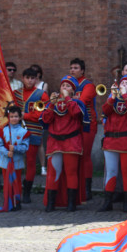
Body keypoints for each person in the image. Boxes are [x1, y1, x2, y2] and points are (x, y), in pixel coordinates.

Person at [41, 75, 88, 212]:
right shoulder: (53, 102)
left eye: (68, 86)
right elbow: (46, 119)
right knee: (53, 173)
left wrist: (67, 98)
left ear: (73, 90)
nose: (65, 88)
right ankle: (51, 203)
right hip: (55, 142)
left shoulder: (77, 103)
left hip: (71, 142)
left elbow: (75, 113)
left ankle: (71, 204)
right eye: (63, 86)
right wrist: (50, 105)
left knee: (71, 173)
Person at [97, 75, 127, 213]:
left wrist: (124, 95)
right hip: (111, 141)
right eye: (122, 82)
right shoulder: (112, 100)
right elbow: (105, 111)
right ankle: (107, 202)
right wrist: (112, 96)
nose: (123, 84)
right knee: (111, 171)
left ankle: (126, 203)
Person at [13, 67, 49, 203]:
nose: (30, 80)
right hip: (17, 132)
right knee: (15, 161)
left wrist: (24, 115)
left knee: (31, 162)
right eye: (27, 77)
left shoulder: (41, 95)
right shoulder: (15, 94)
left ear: (36, 79)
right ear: (22, 78)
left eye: (32, 78)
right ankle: (16, 190)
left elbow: (43, 114)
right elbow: (10, 110)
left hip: (34, 131)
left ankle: (27, 191)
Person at [69, 58, 97, 201]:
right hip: (73, 124)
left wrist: (68, 97)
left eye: (76, 68)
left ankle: (87, 188)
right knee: (75, 156)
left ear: (82, 70)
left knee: (85, 156)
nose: (72, 70)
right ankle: (76, 188)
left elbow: (81, 101)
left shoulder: (88, 85)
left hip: (88, 124)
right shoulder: (68, 84)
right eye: (71, 68)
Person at [0, 106, 29, 211]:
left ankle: (17, 202)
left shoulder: (24, 132)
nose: (14, 118)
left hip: (17, 163)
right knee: (7, 182)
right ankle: (8, 202)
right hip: (6, 162)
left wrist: (16, 148)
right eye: (12, 116)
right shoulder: (3, 131)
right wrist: (6, 152)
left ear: (20, 118)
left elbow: (25, 147)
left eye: (16, 116)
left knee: (17, 182)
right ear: (8, 117)